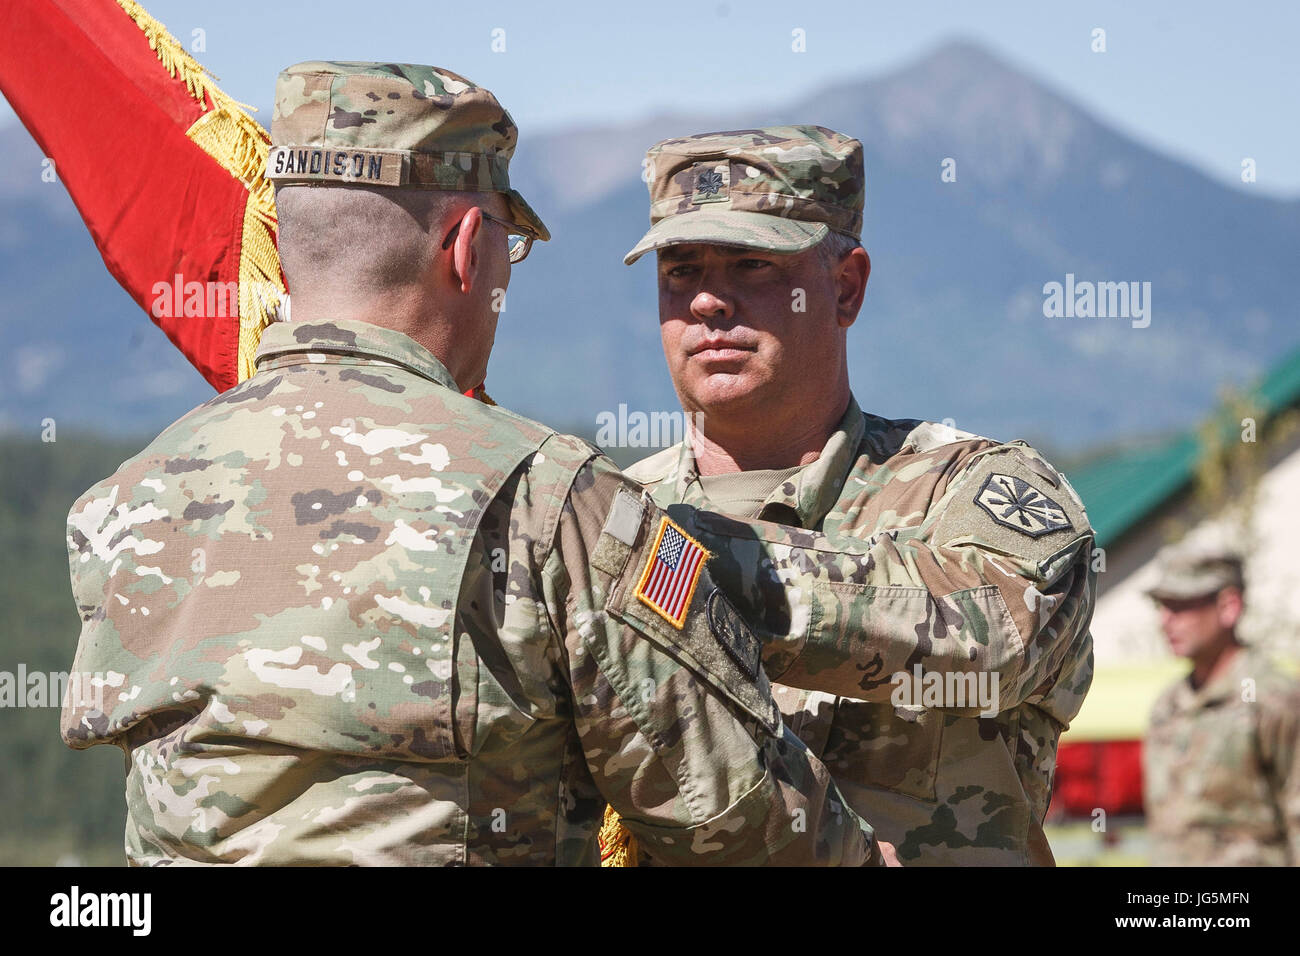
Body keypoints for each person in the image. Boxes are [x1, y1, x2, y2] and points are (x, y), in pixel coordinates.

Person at [59, 64, 880, 867]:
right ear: (467, 247)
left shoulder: (123, 501)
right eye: (508, 247)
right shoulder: (555, 500)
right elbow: (738, 818)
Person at [619, 125, 1097, 865]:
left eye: (753, 264)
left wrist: (677, 571)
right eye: (681, 272)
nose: (710, 300)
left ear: (844, 288)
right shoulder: (612, 505)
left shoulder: (965, 487)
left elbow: (1006, 634)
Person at [1143, 539, 1300, 865]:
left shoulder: (1274, 699)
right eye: (1162, 605)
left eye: (1181, 605)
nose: (1164, 620)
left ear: (1229, 606)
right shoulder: (1167, 706)